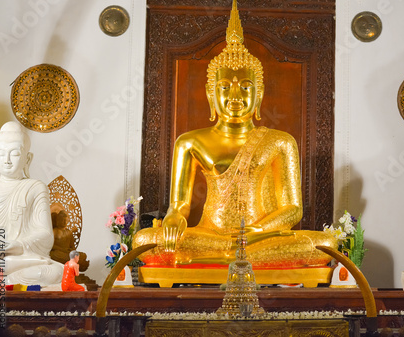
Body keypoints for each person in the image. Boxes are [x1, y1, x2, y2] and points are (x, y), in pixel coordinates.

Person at [133, 0, 337, 271]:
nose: (235, 96)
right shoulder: (190, 141)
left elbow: (292, 209)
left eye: (245, 86)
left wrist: (256, 230)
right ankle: (234, 257)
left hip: (260, 237)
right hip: (210, 234)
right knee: (145, 240)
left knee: (323, 244)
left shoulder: (281, 141)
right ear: (210, 93)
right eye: (225, 86)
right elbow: (179, 205)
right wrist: (173, 219)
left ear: (260, 94)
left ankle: (227, 257)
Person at [0, 121, 63, 286]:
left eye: (14, 154)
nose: (7, 160)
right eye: (1, 154)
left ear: (28, 158)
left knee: (53, 272)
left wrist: (17, 245)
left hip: (20, 259)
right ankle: (3, 281)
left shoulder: (35, 187)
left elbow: (45, 236)